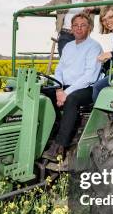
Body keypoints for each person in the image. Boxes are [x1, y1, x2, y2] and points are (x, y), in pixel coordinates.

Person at [42, 13, 103, 168]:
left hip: (86, 88)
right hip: (65, 87)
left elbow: (89, 75)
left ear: (89, 28)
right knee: (42, 93)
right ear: (71, 28)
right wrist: (58, 88)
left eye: (83, 25)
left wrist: (66, 93)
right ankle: (50, 131)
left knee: (72, 100)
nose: (78, 28)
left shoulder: (94, 47)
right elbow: (59, 70)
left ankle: (59, 147)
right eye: (75, 25)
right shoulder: (68, 46)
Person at [28, 0, 102, 56]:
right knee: (66, 62)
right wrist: (29, 9)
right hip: (66, 34)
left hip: (83, 35)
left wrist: (93, 8)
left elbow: (104, 5)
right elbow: (47, 8)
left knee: (81, 62)